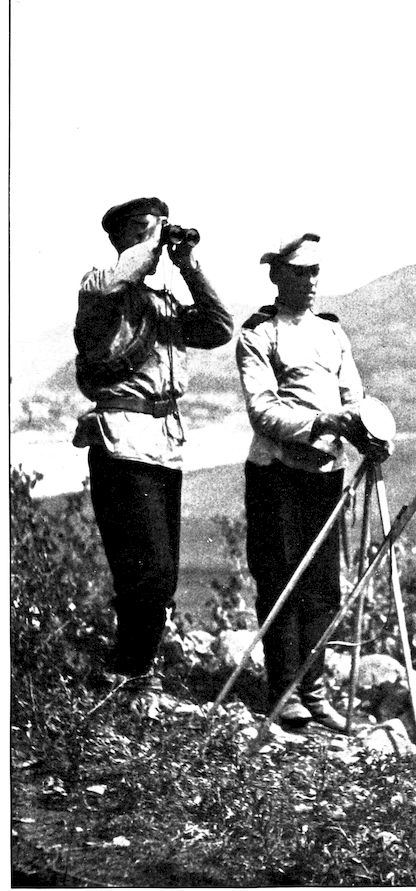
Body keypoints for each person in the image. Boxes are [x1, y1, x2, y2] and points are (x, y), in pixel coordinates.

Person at [72, 197, 233, 703]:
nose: (156, 239)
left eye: (158, 228)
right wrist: (151, 245)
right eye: (144, 229)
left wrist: (188, 265)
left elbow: (218, 327)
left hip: (163, 444)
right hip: (121, 442)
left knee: (161, 575)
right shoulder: (99, 290)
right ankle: (131, 674)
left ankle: (134, 670)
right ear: (121, 238)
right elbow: (115, 281)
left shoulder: (161, 302)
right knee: (144, 570)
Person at [236, 232, 368, 732]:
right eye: (298, 272)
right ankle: (284, 691)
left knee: (323, 586)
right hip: (277, 473)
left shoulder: (332, 333)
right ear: (277, 276)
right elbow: (263, 410)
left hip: (325, 474)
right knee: (279, 579)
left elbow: (353, 397)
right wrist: (321, 423)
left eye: (315, 272)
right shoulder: (258, 334)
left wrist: (367, 433)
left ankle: (314, 692)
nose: (310, 281)